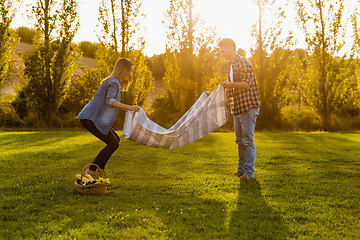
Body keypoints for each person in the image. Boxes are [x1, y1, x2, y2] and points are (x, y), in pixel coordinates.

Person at [77, 58, 140, 175]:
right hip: (90, 118)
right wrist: (130, 107)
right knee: (113, 143)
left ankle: (99, 168)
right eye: (129, 71)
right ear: (123, 70)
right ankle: (91, 170)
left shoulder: (113, 82)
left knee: (115, 140)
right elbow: (110, 101)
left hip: (92, 118)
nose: (131, 74)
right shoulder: (114, 82)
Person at [218, 38, 260, 179]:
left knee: (247, 141)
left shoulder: (243, 62)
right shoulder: (230, 65)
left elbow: (246, 84)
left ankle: (249, 173)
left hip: (247, 107)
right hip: (237, 108)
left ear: (231, 48)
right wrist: (214, 93)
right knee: (240, 141)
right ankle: (241, 170)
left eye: (223, 50)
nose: (221, 53)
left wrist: (230, 84)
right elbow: (231, 86)